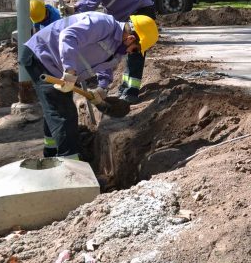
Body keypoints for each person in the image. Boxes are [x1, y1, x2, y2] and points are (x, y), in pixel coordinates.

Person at [20, 12, 159, 160]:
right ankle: (71, 169)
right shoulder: (102, 24)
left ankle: (52, 154)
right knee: (64, 114)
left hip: (56, 66)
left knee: (55, 108)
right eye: (136, 49)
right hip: (42, 56)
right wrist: (70, 71)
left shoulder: (118, 48)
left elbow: (105, 64)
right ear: (130, 38)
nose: (133, 53)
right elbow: (68, 36)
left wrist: (102, 88)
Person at [68, 0, 157, 104]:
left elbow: (92, 3)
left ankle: (131, 92)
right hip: (129, 13)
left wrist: (75, 12)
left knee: (134, 51)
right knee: (119, 49)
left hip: (139, 12)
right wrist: (75, 6)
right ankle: (123, 88)